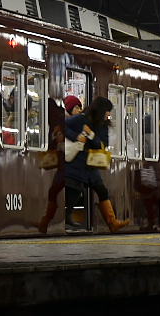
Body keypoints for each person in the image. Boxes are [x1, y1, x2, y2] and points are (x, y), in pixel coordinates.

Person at [63, 96, 129, 233]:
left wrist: (91, 135)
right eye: (107, 110)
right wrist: (75, 136)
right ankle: (66, 217)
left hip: (91, 164)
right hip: (76, 163)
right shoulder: (80, 119)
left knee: (102, 191)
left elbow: (102, 144)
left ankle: (112, 222)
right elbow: (63, 126)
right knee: (74, 190)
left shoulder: (103, 125)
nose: (108, 114)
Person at [34, 95, 80, 234]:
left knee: (55, 190)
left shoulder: (58, 120)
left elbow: (58, 140)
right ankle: (54, 218)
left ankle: (47, 221)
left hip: (66, 163)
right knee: (71, 187)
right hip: (69, 162)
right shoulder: (62, 118)